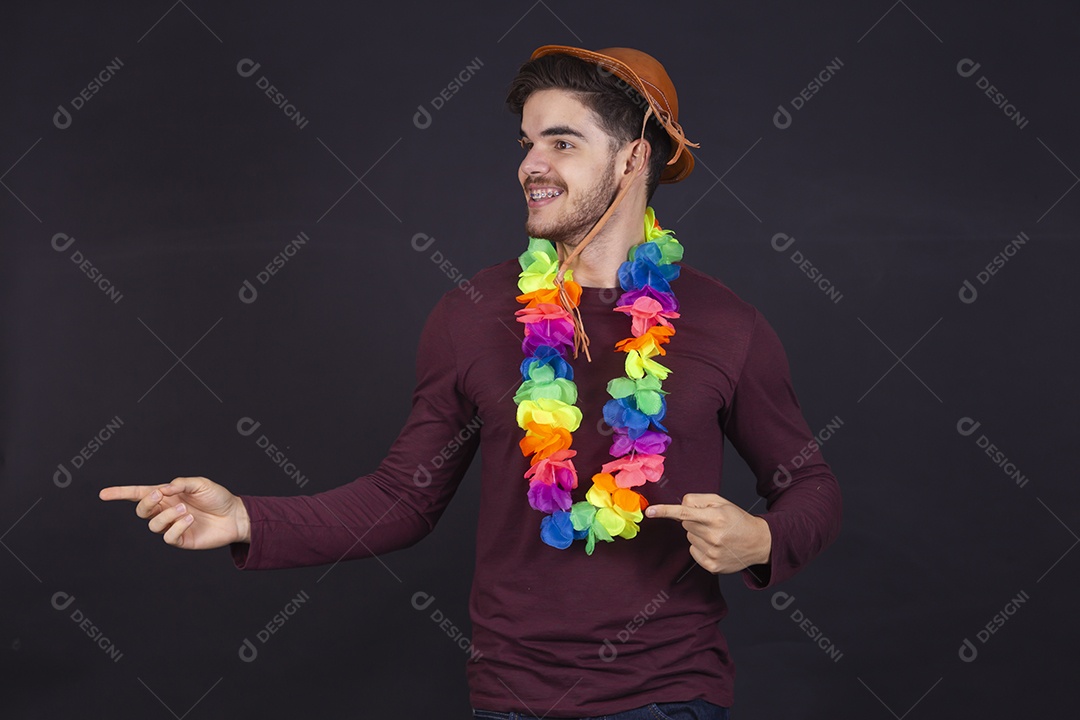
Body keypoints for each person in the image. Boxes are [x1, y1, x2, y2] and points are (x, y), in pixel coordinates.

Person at [100, 45, 842, 719]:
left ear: (632, 159)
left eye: (562, 141)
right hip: (510, 698)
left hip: (669, 698)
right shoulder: (472, 314)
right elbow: (404, 497)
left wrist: (763, 538)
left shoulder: (726, 323)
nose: (531, 165)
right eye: (527, 143)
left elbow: (811, 486)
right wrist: (246, 520)